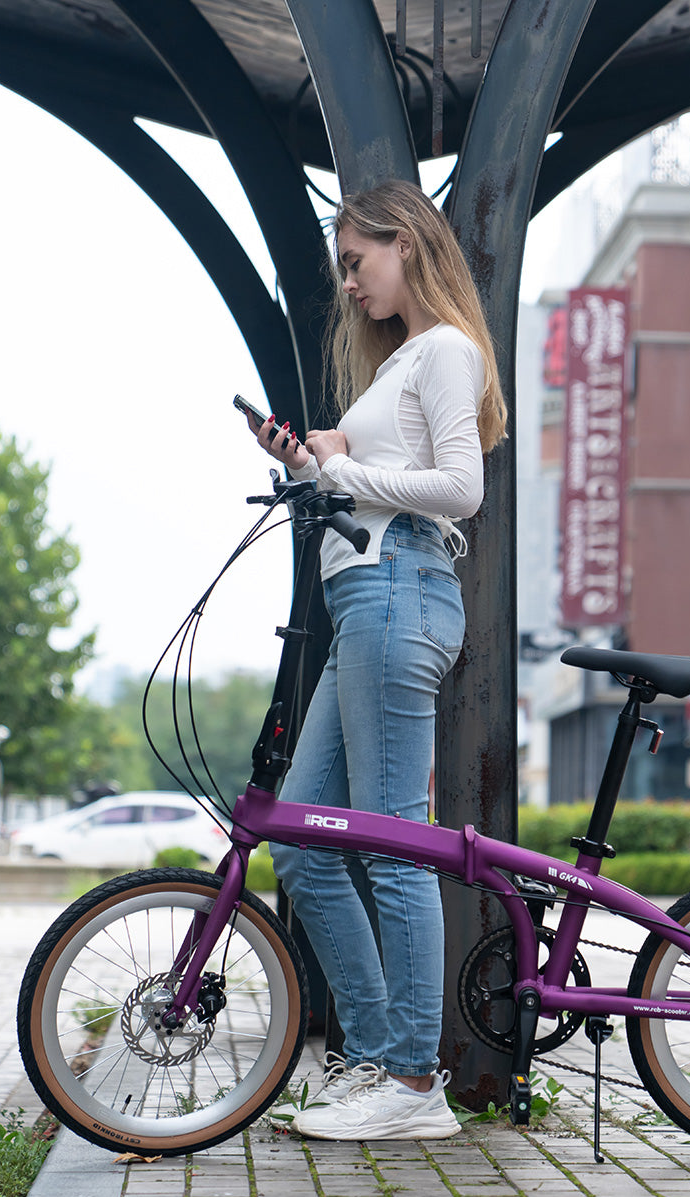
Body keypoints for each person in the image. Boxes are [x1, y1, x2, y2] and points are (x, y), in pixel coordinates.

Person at [245, 179, 506, 1141]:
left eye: (357, 261)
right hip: (365, 600)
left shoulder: (444, 348)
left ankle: (410, 1086)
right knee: (305, 844)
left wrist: (342, 467)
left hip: (399, 593)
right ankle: (376, 1058)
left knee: (394, 845)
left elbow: (459, 488)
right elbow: (357, 484)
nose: (349, 283)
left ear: (408, 244)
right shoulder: (399, 364)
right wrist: (302, 460)